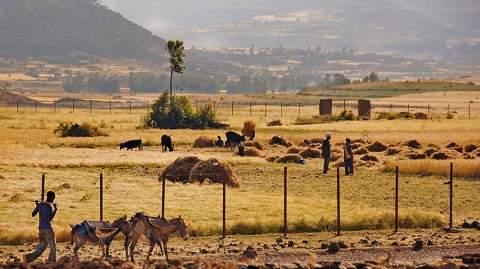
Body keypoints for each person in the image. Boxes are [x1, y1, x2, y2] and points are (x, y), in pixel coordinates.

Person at [24, 191, 58, 263]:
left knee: (42, 246)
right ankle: (52, 261)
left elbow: (33, 214)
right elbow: (49, 219)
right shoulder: (48, 206)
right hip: (48, 229)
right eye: (53, 197)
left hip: (41, 229)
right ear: (51, 197)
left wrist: (37, 205)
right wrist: (55, 210)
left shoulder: (40, 205)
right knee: (53, 246)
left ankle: (28, 258)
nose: (53, 199)